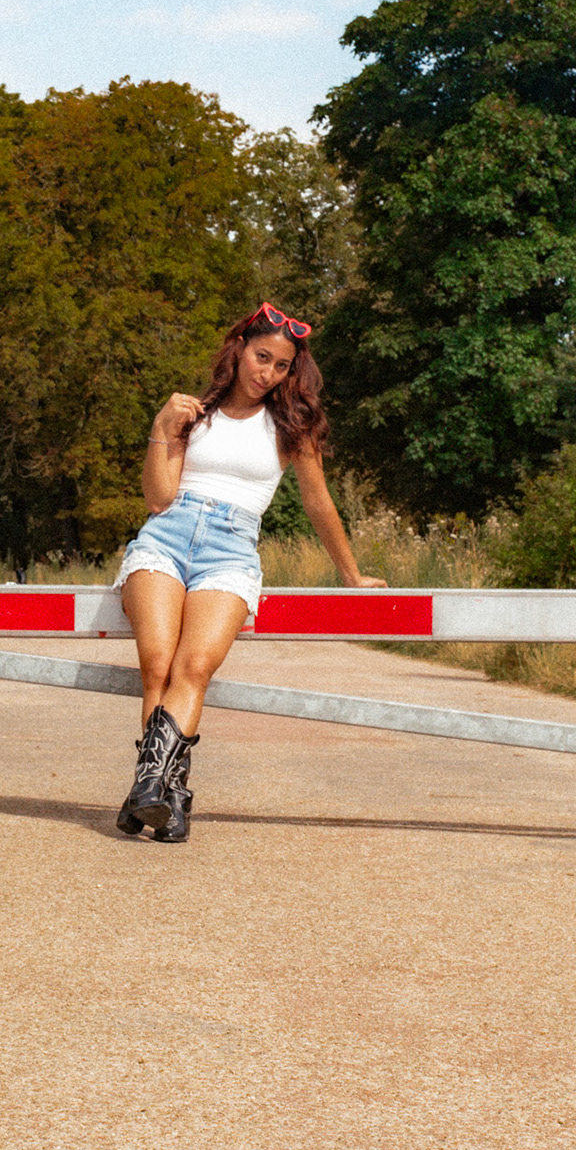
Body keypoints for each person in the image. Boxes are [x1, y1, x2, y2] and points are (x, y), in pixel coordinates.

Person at [110, 302, 386, 843]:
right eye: (262, 357)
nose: (268, 373)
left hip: (230, 549)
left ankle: (150, 791)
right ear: (239, 350)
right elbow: (158, 497)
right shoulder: (193, 415)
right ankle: (169, 798)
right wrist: (160, 427)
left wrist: (351, 574)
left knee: (193, 667)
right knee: (157, 664)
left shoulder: (291, 426)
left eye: (281, 366)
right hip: (166, 537)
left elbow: (318, 502)